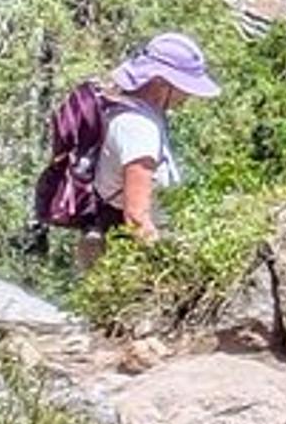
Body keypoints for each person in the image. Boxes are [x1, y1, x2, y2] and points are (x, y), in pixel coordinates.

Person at [77, 32, 220, 265]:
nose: (188, 96)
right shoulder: (138, 128)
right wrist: (167, 265)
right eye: (184, 87)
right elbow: (136, 217)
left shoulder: (124, 110)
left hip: (112, 238)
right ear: (161, 83)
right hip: (124, 253)